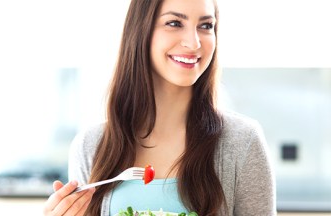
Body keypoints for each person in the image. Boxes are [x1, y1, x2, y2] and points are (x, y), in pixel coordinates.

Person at [43, 0, 276, 215]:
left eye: (206, 26)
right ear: (141, 31)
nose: (194, 42)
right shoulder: (91, 145)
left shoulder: (242, 141)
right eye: (174, 23)